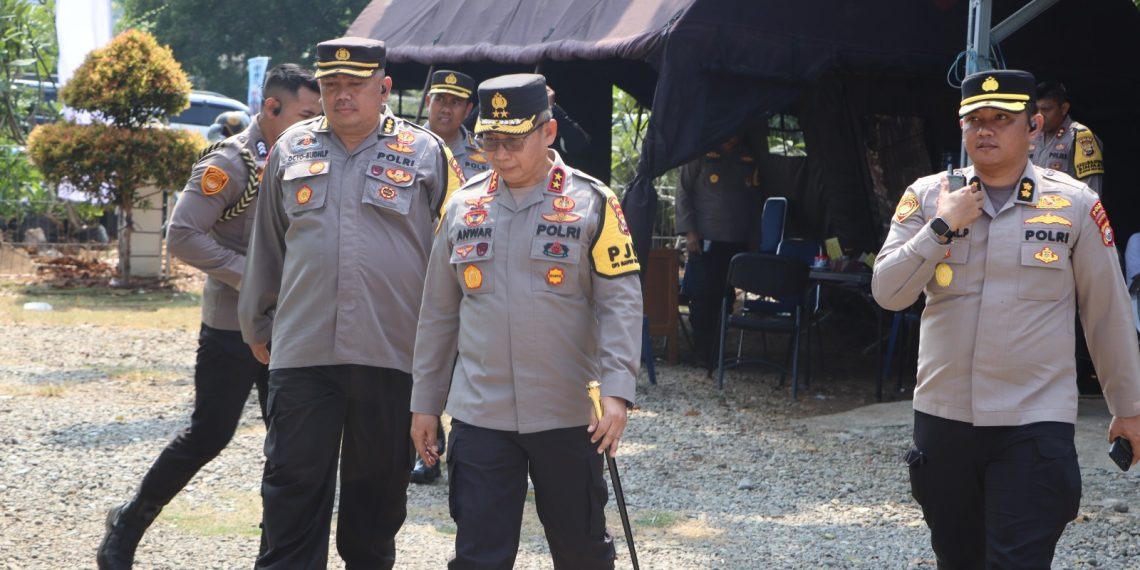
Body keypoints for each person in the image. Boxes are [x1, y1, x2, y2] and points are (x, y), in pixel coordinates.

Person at [872, 69, 1140, 568]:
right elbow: (888, 292)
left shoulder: (1075, 204)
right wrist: (941, 226)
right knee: (958, 559)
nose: (986, 130)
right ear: (961, 128)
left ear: (1033, 127)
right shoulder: (928, 197)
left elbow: (1107, 312)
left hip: (1033, 424)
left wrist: (1129, 408)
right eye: (975, 120)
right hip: (945, 421)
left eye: (1001, 118)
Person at [238, 38, 463, 569]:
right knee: (290, 490)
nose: (342, 96)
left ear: (383, 88)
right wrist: (256, 321)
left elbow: (460, 251)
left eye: (355, 85)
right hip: (303, 353)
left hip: (392, 353)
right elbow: (266, 245)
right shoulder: (291, 148)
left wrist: (451, 349)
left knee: (376, 503)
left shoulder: (428, 153)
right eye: (331, 85)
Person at [410, 73, 643, 569]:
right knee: (478, 556)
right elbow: (438, 314)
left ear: (548, 131)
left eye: (513, 141)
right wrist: (425, 403)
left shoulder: (593, 202)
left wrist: (618, 391)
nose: (500, 154)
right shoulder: (462, 205)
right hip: (481, 413)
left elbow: (620, 303)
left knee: (581, 551)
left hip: (567, 412)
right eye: (489, 141)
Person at [96, 63, 320, 570]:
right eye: (306, 115)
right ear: (271, 108)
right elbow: (182, 235)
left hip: (292, 325)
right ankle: (128, 524)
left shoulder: (309, 158)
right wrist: (253, 278)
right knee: (210, 433)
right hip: (232, 324)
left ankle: (277, 552)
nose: (314, 125)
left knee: (290, 446)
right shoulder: (232, 162)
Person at [673, 134, 761, 370]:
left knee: (726, 297)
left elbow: (755, 199)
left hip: (737, 240)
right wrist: (689, 231)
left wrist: (755, 237)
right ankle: (701, 352)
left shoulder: (747, 155)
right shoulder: (700, 151)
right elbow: (683, 192)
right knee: (702, 297)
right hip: (705, 239)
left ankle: (718, 351)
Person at [1029, 80, 1104, 195]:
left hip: (1065, 205)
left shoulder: (1080, 137)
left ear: (1064, 108)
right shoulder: (1030, 134)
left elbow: (1092, 192)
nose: (1039, 115)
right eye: (1036, 110)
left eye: (1046, 109)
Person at [424, 69, 490, 181]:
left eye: (455, 102)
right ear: (428, 102)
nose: (446, 109)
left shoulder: (486, 155)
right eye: (439, 99)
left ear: (467, 110)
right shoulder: (406, 145)